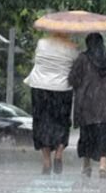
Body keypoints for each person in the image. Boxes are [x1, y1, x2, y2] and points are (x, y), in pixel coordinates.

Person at [68, 33, 106, 178]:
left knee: (87, 135)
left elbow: (73, 80)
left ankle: (86, 165)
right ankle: (103, 165)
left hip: (89, 104)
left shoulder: (82, 59)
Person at [23, 32, 78, 175]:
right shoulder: (72, 47)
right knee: (62, 121)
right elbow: (74, 67)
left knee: (42, 122)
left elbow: (37, 60)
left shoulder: (42, 43)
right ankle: (59, 153)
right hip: (62, 88)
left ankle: (46, 160)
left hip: (40, 87)